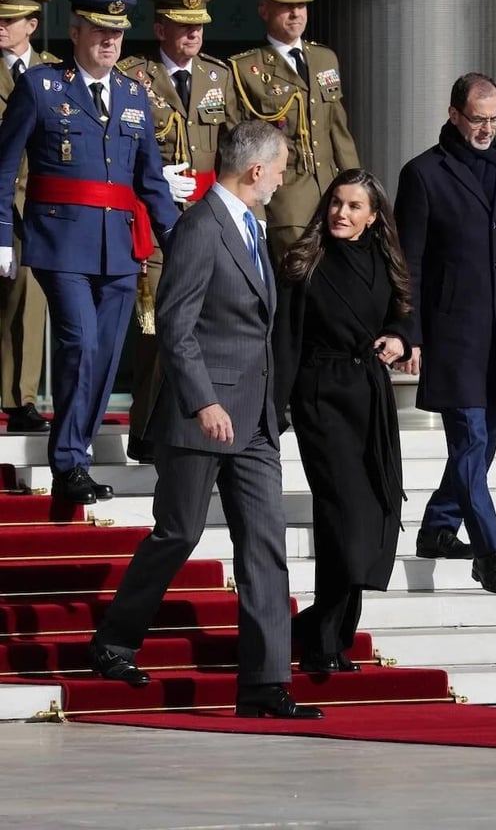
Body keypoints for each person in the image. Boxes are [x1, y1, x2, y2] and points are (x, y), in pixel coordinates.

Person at [90, 120, 323, 721]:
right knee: (178, 534)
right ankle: (113, 641)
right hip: (204, 416)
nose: (281, 178)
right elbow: (175, 323)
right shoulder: (201, 227)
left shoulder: (252, 226)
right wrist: (202, 401)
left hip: (256, 420)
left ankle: (265, 685)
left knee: (265, 546)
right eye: (279, 168)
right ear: (254, 171)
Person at [0, 0, 178, 505]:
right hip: (60, 241)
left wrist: (177, 240)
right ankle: (70, 461)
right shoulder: (41, 85)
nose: (109, 41)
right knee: (80, 343)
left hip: (118, 248)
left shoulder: (133, 94)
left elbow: (149, 181)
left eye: (117, 33)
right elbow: (4, 165)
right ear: (75, 32)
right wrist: (1, 235)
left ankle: (73, 454)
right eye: (99, 31)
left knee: (103, 357)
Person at [393, 72, 496, 596]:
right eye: (478, 119)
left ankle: (439, 528)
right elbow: (408, 263)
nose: (488, 128)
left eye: (495, 119)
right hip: (452, 333)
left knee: (482, 447)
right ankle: (489, 554)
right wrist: (408, 331)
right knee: (469, 440)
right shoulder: (422, 173)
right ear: (454, 114)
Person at [273, 168, 413, 672]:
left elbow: (403, 309)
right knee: (343, 519)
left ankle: (323, 633)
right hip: (321, 397)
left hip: (370, 398)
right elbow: (284, 342)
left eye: (354, 207)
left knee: (373, 514)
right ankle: (322, 642)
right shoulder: (303, 261)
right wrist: (274, 411)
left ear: (373, 218)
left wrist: (400, 336)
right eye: (336, 203)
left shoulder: (384, 257)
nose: (341, 213)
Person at [117, 0, 243, 464]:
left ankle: (190, 429)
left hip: (206, 217)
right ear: (160, 29)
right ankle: (146, 431)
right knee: (156, 328)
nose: (193, 33)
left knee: (207, 326)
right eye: (183, 25)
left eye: (200, 25)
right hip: (153, 214)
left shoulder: (218, 75)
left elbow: (234, 146)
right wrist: (146, 181)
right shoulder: (134, 77)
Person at [229, 0, 360, 267]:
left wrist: (356, 186)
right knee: (298, 281)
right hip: (285, 198)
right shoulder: (246, 69)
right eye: (286, 6)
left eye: (301, 6)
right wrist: (255, 208)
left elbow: (338, 130)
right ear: (264, 10)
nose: (296, 14)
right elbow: (244, 149)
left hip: (332, 192)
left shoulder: (324, 58)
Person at [0, 0, 60, 433]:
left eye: (9, 20)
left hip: (32, 199)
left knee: (27, 299)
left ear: (32, 25)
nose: (1, 27)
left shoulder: (55, 73)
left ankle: (19, 398)